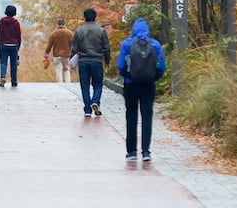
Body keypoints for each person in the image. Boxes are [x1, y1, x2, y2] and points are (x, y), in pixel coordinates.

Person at [116, 18, 166, 161]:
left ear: (133, 30)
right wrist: (154, 77)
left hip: (131, 84)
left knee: (131, 115)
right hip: (148, 85)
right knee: (147, 116)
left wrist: (127, 76)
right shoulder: (155, 45)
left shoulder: (127, 44)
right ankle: (146, 152)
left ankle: (131, 151)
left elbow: (121, 65)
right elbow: (161, 66)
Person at [71, 8, 110, 117]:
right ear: (95, 17)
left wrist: (73, 61)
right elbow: (106, 47)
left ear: (85, 17)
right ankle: (95, 101)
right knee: (98, 84)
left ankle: (87, 109)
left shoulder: (79, 31)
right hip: (97, 61)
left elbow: (74, 47)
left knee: (85, 85)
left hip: (83, 61)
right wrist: (107, 60)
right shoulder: (101, 31)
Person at [0, 5, 21, 87]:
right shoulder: (16, 22)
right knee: (13, 64)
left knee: (3, 62)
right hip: (13, 45)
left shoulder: (1, 21)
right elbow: (18, 36)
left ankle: (3, 77)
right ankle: (14, 81)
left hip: (3, 45)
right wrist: (18, 47)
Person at [45, 19, 73, 83]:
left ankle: (60, 85)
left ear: (57, 25)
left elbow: (49, 45)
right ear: (64, 24)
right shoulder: (69, 33)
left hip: (57, 55)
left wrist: (46, 53)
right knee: (66, 70)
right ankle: (68, 84)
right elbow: (73, 44)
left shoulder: (54, 33)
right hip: (67, 55)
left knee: (58, 70)